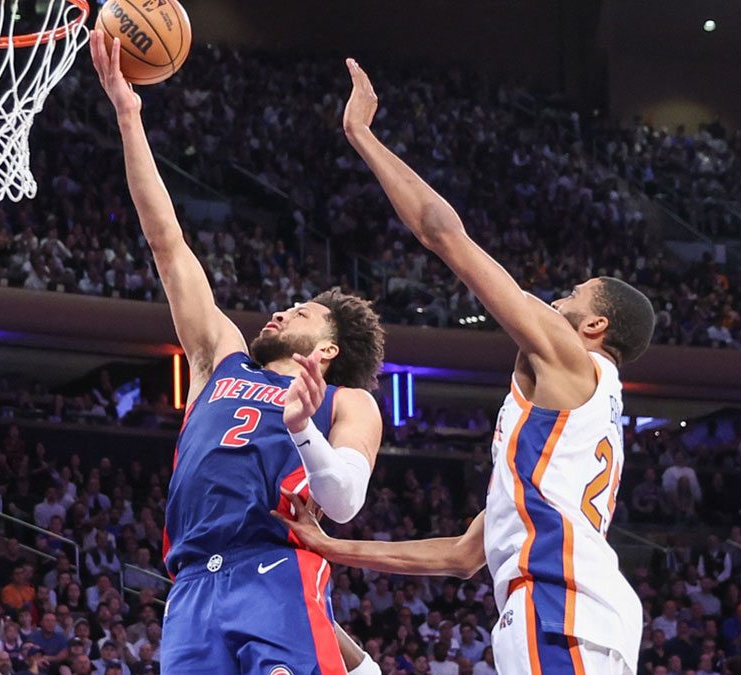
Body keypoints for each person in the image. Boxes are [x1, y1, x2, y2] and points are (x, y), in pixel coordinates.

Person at [278, 59, 657, 675]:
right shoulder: (556, 452)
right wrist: (328, 546)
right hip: (568, 612)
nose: (553, 302)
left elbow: (442, 234)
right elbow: (459, 556)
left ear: (595, 328)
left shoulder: (566, 359)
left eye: (570, 298)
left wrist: (362, 136)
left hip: (559, 610)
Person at [91, 31, 386, 675]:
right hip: (191, 586)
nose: (280, 311)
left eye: (301, 311)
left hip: (276, 570)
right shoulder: (220, 358)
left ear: (328, 346)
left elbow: (343, 503)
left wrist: (305, 428)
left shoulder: (349, 401)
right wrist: (128, 115)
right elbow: (167, 243)